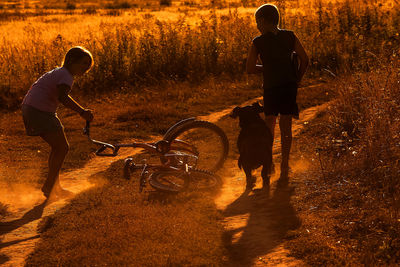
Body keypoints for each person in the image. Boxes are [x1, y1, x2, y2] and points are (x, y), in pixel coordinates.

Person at [21, 46, 94, 199]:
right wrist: (82, 112)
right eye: (83, 63)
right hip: (38, 111)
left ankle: (54, 186)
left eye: (88, 65)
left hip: (33, 109)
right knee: (62, 147)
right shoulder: (65, 75)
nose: (86, 67)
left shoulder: (60, 72)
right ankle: (50, 186)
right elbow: (63, 97)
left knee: (58, 147)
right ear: (71, 60)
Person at [246, 4, 309, 178]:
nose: (257, 26)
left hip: (271, 88)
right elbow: (305, 59)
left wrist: (266, 68)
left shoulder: (258, 42)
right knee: (286, 127)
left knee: (269, 126)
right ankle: (285, 165)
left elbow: (250, 67)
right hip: (289, 86)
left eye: (258, 22)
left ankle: (269, 164)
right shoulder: (290, 36)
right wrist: (297, 79)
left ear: (264, 21)